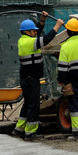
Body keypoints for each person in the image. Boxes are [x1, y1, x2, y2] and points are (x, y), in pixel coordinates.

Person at [13, 12, 63, 140]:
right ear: (28, 32)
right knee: (33, 105)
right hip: (31, 79)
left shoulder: (24, 40)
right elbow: (45, 40)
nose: (35, 32)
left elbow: (38, 35)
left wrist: (42, 21)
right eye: (33, 31)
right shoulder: (29, 43)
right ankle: (30, 132)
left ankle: (19, 129)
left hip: (27, 78)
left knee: (27, 103)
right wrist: (57, 26)